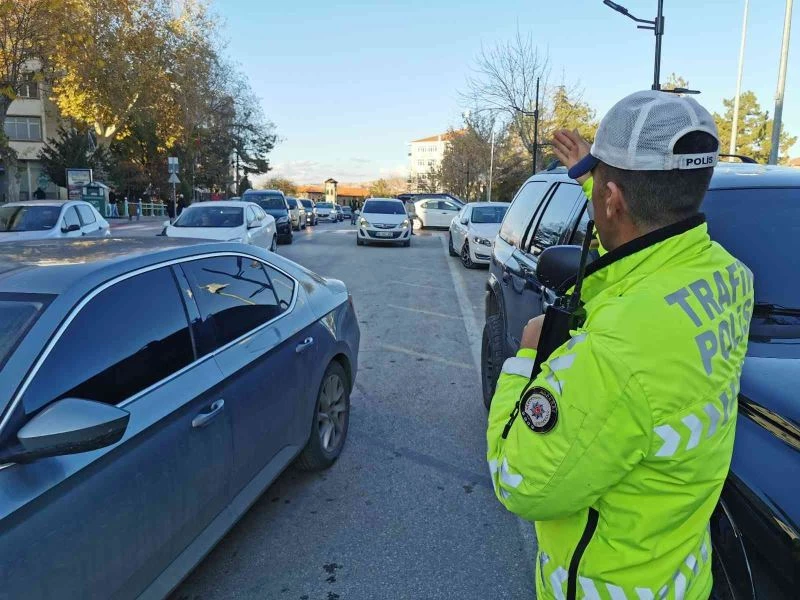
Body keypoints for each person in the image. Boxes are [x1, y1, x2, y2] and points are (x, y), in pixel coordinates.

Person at [487, 90, 754, 600]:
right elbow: (640, 227)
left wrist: (525, 358)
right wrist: (595, 174)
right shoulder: (727, 278)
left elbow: (517, 481)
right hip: (680, 578)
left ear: (612, 200)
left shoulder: (614, 351)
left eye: (600, 193)